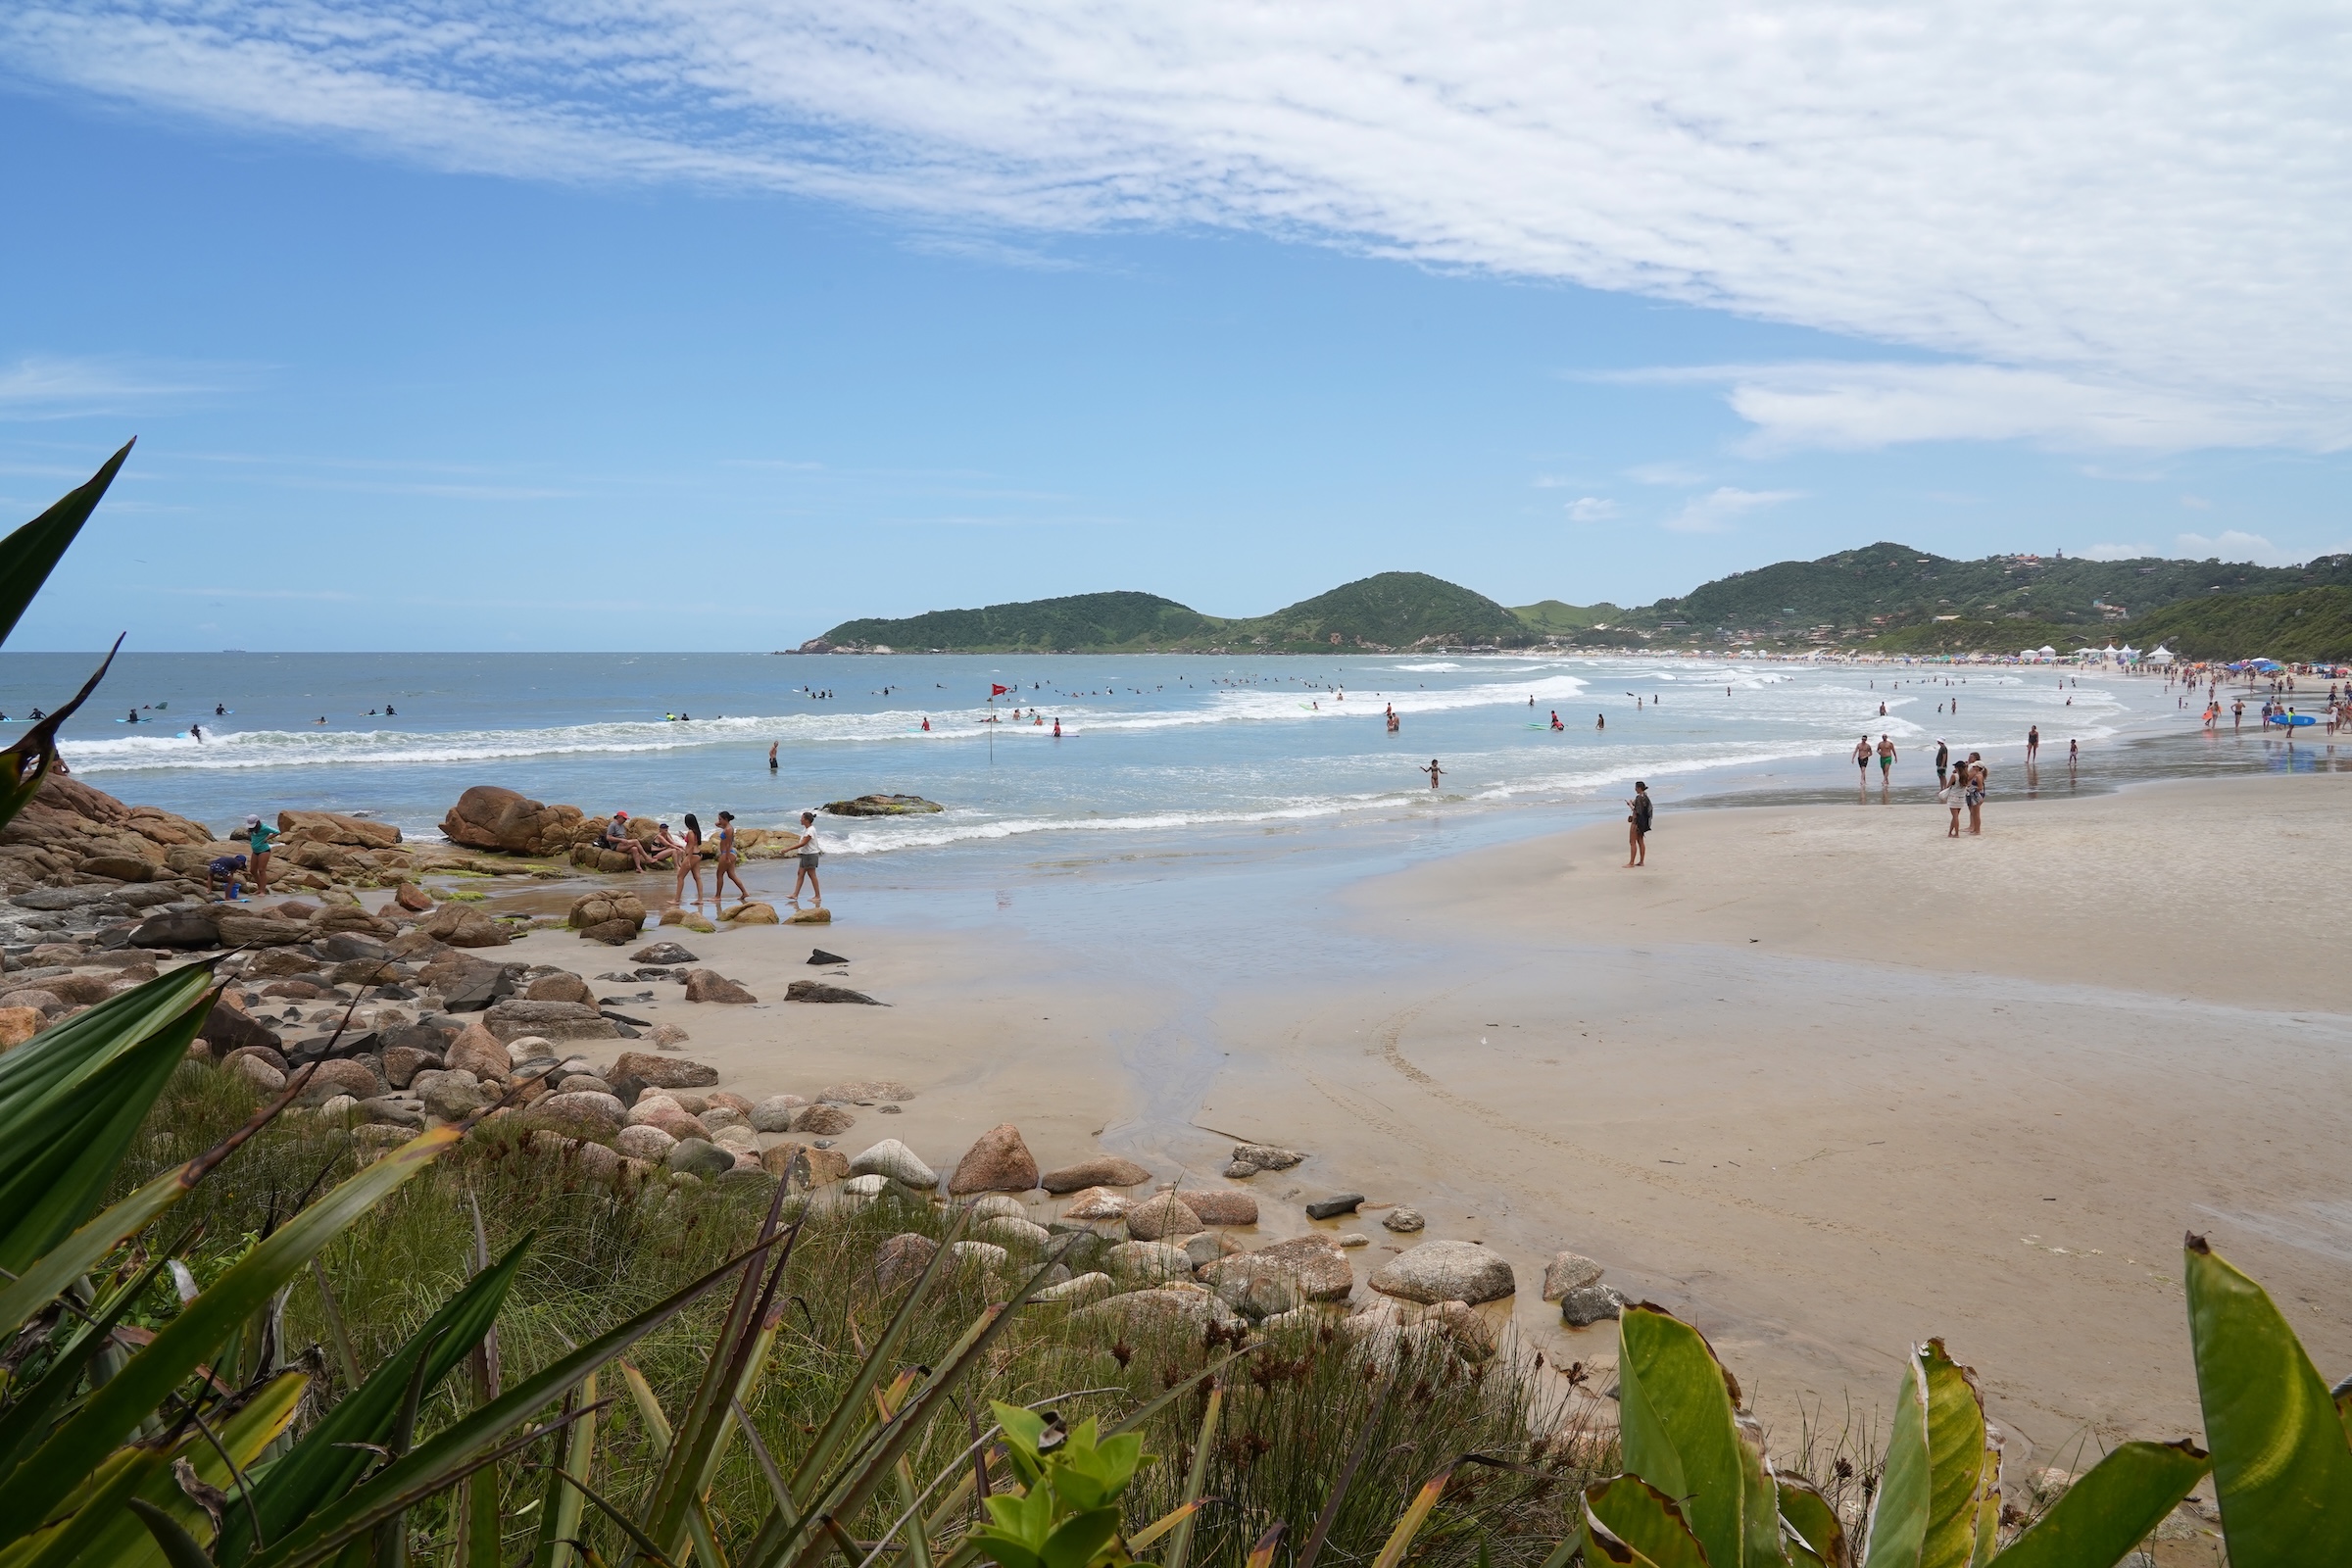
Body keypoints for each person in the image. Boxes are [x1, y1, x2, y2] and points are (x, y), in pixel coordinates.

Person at [784, 810, 824, 906]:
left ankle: (818, 896)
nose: (800, 820)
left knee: (812, 875)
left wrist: (788, 849)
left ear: (806, 820)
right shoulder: (806, 829)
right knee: (800, 874)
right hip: (805, 855)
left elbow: (803, 843)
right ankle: (795, 894)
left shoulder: (810, 830)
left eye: (802, 818)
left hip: (810, 855)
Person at [670, 813, 706, 907]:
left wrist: (688, 859)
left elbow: (692, 846)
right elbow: (694, 843)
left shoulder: (690, 832)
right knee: (697, 877)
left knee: (680, 876)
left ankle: (677, 899)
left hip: (692, 855)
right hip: (698, 854)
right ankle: (700, 899)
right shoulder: (696, 831)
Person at [713, 810, 750, 904]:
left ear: (725, 819)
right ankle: (744, 892)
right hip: (729, 853)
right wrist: (719, 823)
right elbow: (717, 825)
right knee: (731, 875)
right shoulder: (726, 827)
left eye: (720, 819)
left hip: (727, 853)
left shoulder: (728, 829)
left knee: (719, 874)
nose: (719, 821)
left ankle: (718, 896)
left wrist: (726, 857)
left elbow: (729, 843)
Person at [243, 813, 279, 896]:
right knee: (252, 870)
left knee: (261, 870)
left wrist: (267, 838)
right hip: (255, 851)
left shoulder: (264, 827)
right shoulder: (252, 829)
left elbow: (277, 832)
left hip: (264, 850)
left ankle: (262, 891)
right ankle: (259, 889)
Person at [1625, 781, 1652, 866]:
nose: (1635, 789)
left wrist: (1630, 805)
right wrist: (1634, 803)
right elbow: (1642, 807)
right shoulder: (1645, 797)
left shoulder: (1639, 797)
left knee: (1632, 842)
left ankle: (1631, 863)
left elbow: (1637, 811)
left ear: (1639, 788)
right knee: (1640, 841)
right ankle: (1641, 861)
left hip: (1636, 822)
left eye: (1636, 787)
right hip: (1643, 823)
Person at [1937, 766, 1963, 837]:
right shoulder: (1966, 776)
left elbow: (1948, 785)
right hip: (1961, 797)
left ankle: (1957, 833)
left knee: (1955, 816)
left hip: (1953, 796)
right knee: (1955, 816)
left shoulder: (1954, 776)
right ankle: (1950, 832)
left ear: (1957, 768)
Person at [1876, 734, 1897, 800]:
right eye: (1883, 737)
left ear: (1887, 737)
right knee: (1883, 770)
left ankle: (1884, 780)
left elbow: (1893, 750)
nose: (1884, 738)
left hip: (1888, 757)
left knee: (1886, 769)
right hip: (1882, 758)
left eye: (1885, 737)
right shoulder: (1880, 744)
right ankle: (1887, 780)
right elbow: (1877, 750)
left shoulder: (1890, 743)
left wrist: (1896, 757)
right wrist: (1879, 753)